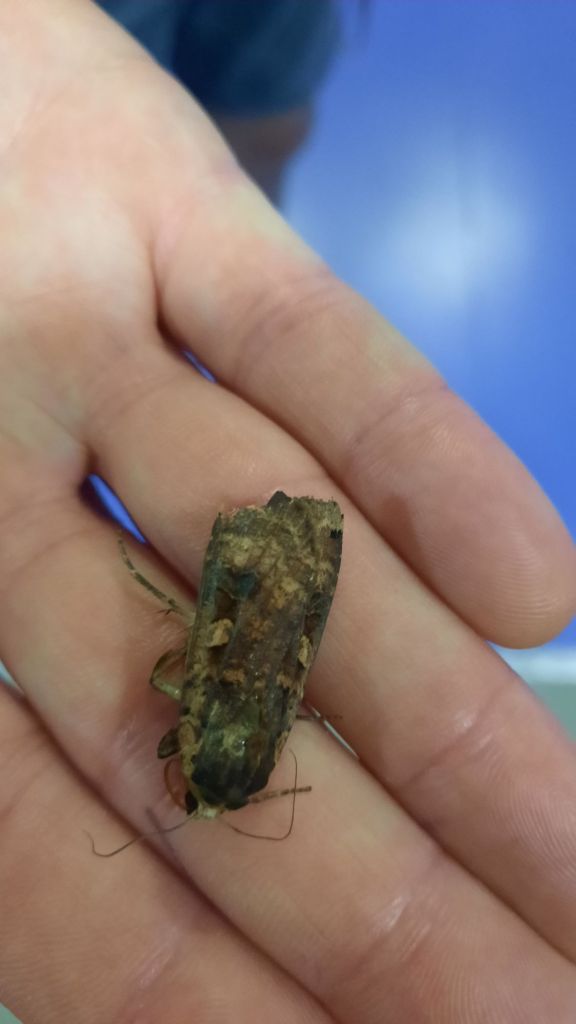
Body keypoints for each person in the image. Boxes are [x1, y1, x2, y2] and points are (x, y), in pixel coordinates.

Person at [1, 2, 575, 1021]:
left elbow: (203, 690)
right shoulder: (222, 746)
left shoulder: (240, 751)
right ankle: (247, 189)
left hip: (264, 616)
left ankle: (247, 181)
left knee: (267, 94)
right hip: (254, 612)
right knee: (267, 106)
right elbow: (188, 684)